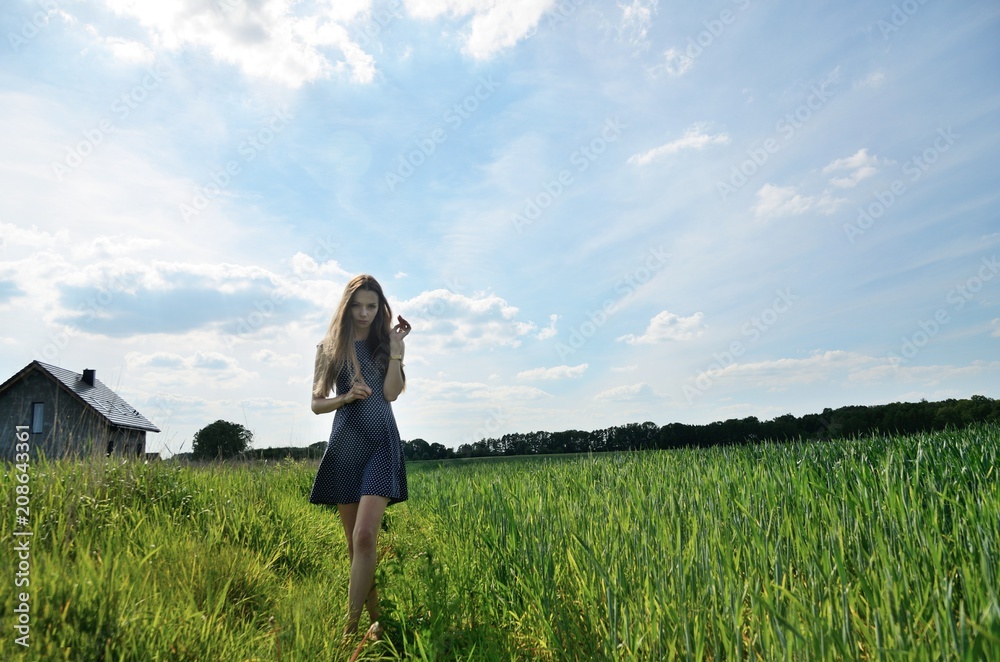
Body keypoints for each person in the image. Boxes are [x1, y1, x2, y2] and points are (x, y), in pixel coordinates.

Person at [309, 274, 411, 638]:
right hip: (346, 447)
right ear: (347, 306)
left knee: (366, 535)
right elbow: (316, 404)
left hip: (381, 442)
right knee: (356, 545)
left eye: (371, 306)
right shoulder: (329, 347)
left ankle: (348, 632)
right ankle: (375, 622)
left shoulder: (386, 343)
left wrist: (396, 352)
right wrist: (346, 397)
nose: (364, 313)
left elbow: (391, 393)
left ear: (380, 307)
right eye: (357, 306)